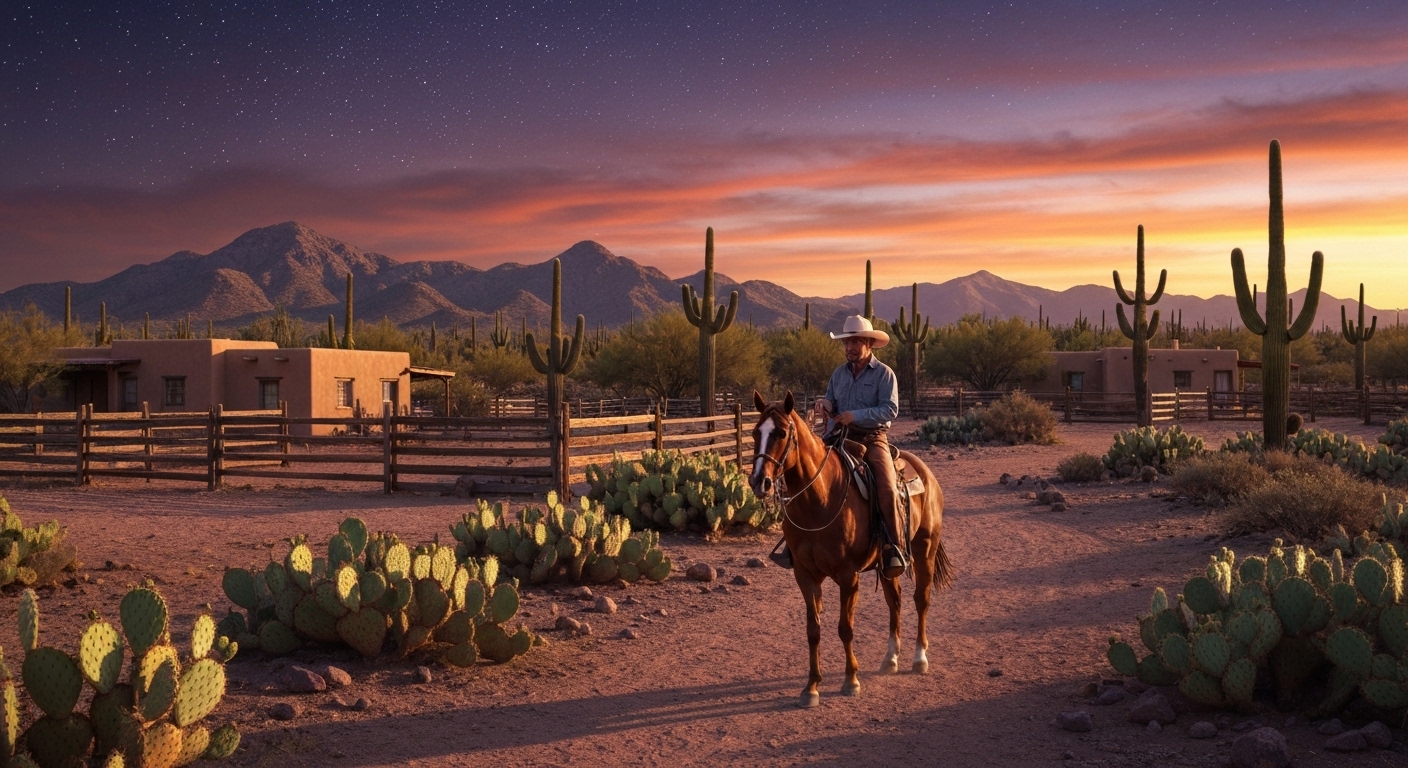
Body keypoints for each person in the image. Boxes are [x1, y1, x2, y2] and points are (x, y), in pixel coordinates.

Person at [771, 315, 905, 578]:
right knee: (805, 475)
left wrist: (855, 415)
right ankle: (796, 542)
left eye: (855, 342)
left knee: (887, 486)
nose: (849, 347)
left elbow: (890, 409)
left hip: (871, 438)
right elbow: (832, 399)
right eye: (846, 342)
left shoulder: (884, 374)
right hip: (837, 436)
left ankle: (893, 546)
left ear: (868, 343)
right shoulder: (839, 374)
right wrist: (826, 404)